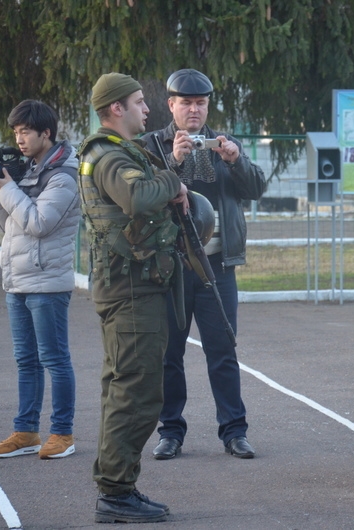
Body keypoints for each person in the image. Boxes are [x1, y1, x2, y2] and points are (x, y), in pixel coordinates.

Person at [78, 72, 188, 524]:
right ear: (117, 108)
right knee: (136, 392)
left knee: (124, 388)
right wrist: (173, 181)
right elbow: (139, 195)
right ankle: (116, 493)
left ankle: (117, 485)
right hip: (130, 289)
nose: (148, 109)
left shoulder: (117, 151)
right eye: (141, 102)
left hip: (132, 285)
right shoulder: (106, 156)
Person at [141, 68, 267, 461]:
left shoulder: (226, 143)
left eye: (201, 104)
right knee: (168, 355)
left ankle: (234, 432)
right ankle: (170, 432)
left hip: (217, 268)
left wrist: (235, 160)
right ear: (171, 105)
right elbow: (143, 198)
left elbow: (258, 188)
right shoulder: (152, 145)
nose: (194, 111)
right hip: (171, 266)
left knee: (223, 351)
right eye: (186, 103)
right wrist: (174, 161)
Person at [0, 100, 80, 460]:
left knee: (55, 359)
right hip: (18, 279)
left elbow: (39, 224)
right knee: (26, 361)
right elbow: (11, 225)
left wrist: (7, 187)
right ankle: (25, 432)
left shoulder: (63, 174)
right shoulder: (28, 169)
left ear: (46, 133)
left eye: (25, 132)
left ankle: (63, 434)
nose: (19, 139)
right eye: (16, 133)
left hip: (47, 282)